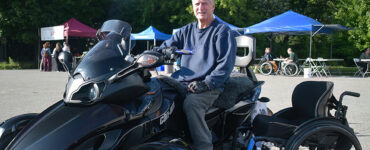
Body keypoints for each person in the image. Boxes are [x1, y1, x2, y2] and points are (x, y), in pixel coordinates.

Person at [160, 0, 236, 149]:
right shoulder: (186, 30)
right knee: (155, 93)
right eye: (197, 4)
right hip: (182, 81)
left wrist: (207, 83)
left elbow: (225, 66)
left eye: (205, 3)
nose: (201, 7)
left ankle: (204, 146)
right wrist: (155, 54)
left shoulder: (222, 31)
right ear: (193, 7)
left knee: (191, 104)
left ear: (213, 6)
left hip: (210, 85)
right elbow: (164, 47)